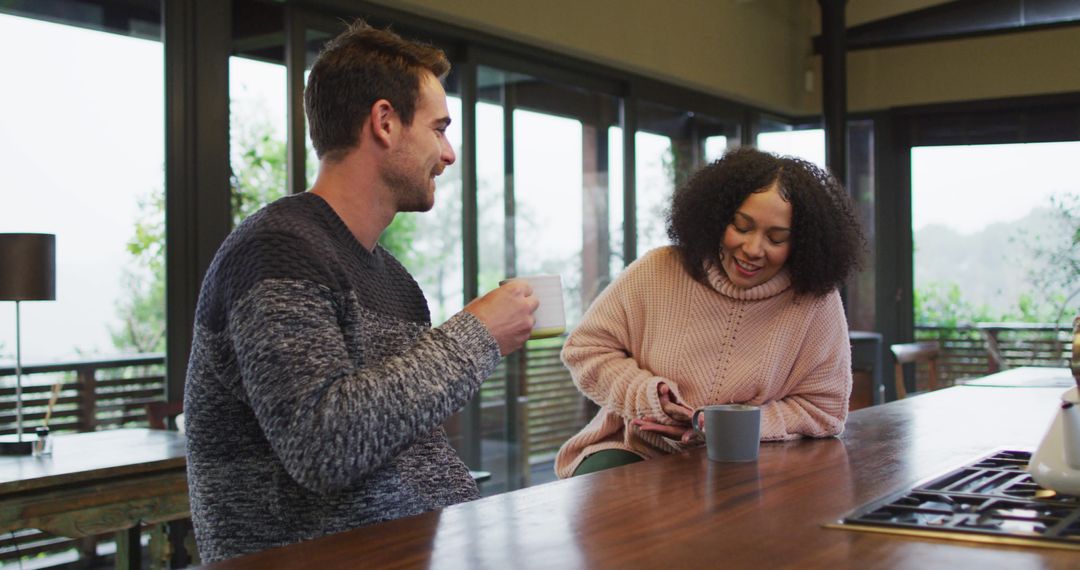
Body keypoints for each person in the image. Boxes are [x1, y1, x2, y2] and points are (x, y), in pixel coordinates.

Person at [184, 21, 538, 562]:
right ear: (385, 122)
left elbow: (402, 438)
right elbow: (323, 445)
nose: (450, 154)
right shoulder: (275, 253)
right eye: (439, 129)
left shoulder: (394, 280)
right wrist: (478, 334)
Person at [554, 147, 864, 478]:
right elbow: (585, 348)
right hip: (634, 450)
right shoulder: (658, 270)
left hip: (752, 462)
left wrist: (724, 429)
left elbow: (823, 410)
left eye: (776, 238)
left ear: (801, 244)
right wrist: (645, 395)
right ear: (717, 217)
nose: (753, 249)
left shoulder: (816, 302)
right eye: (742, 227)